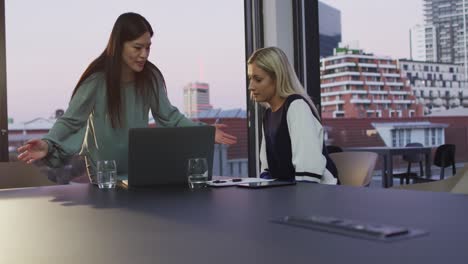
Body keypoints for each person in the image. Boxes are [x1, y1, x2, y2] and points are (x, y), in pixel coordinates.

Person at [17, 12, 237, 183]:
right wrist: (48, 142)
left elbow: (169, 117)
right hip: (104, 174)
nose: (144, 54)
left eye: (148, 48)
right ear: (119, 45)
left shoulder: (150, 77)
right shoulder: (97, 80)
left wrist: (204, 132)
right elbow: (71, 120)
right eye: (137, 47)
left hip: (137, 171)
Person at [247, 47, 337, 184]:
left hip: (318, 196)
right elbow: (267, 170)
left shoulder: (296, 107)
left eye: (258, 79)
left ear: (278, 78)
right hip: (288, 195)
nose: (251, 86)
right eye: (250, 78)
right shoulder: (268, 115)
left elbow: (308, 174)